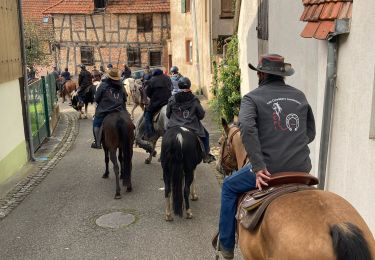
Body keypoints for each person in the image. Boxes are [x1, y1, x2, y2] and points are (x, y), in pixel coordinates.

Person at [215, 54, 316, 259]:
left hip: (268, 170)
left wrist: (259, 166)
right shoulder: (300, 96)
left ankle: (225, 245)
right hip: (301, 169)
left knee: (229, 186)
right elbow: (310, 133)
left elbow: (247, 128)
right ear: (283, 75)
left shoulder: (252, 98)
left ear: (260, 74)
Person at [166, 77, 216, 163]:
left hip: (174, 126)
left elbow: (168, 114)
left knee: (165, 136)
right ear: (189, 85)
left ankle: (164, 156)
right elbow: (201, 115)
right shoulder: (194, 99)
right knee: (206, 135)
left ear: (179, 86)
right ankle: (206, 155)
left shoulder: (172, 99)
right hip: (192, 126)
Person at [91, 68, 127, 149]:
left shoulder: (103, 85)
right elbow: (125, 98)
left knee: (96, 121)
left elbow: (96, 99)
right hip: (119, 110)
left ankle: (97, 143)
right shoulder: (121, 85)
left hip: (104, 111)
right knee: (129, 120)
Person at [144, 68, 172, 138]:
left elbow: (148, 93)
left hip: (157, 103)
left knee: (147, 115)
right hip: (169, 101)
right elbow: (171, 88)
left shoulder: (152, 80)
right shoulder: (168, 78)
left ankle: (150, 134)